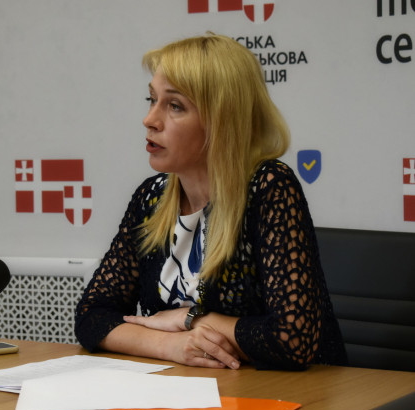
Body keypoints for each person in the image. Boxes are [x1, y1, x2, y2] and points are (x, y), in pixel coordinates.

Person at [74, 33, 347, 371]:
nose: (150, 120)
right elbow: (92, 316)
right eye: (152, 99)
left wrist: (191, 319)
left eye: (174, 106)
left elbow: (292, 339)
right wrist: (170, 345)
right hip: (187, 390)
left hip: (292, 393)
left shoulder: (269, 187)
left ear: (222, 120)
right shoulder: (151, 197)